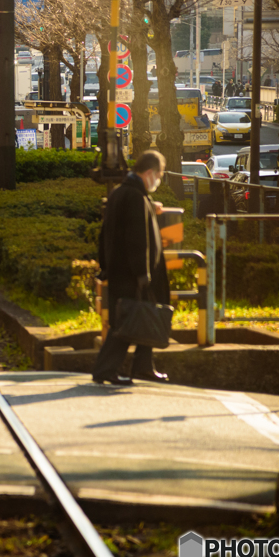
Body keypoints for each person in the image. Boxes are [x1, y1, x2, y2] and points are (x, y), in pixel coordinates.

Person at [92, 150, 171, 386]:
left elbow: (104, 235)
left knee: (143, 317)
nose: (158, 180)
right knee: (126, 323)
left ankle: (144, 366)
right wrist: (142, 274)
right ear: (149, 173)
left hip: (119, 271)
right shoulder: (136, 199)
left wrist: (104, 267)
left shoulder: (123, 194)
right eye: (158, 175)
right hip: (133, 274)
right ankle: (104, 369)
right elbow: (137, 240)